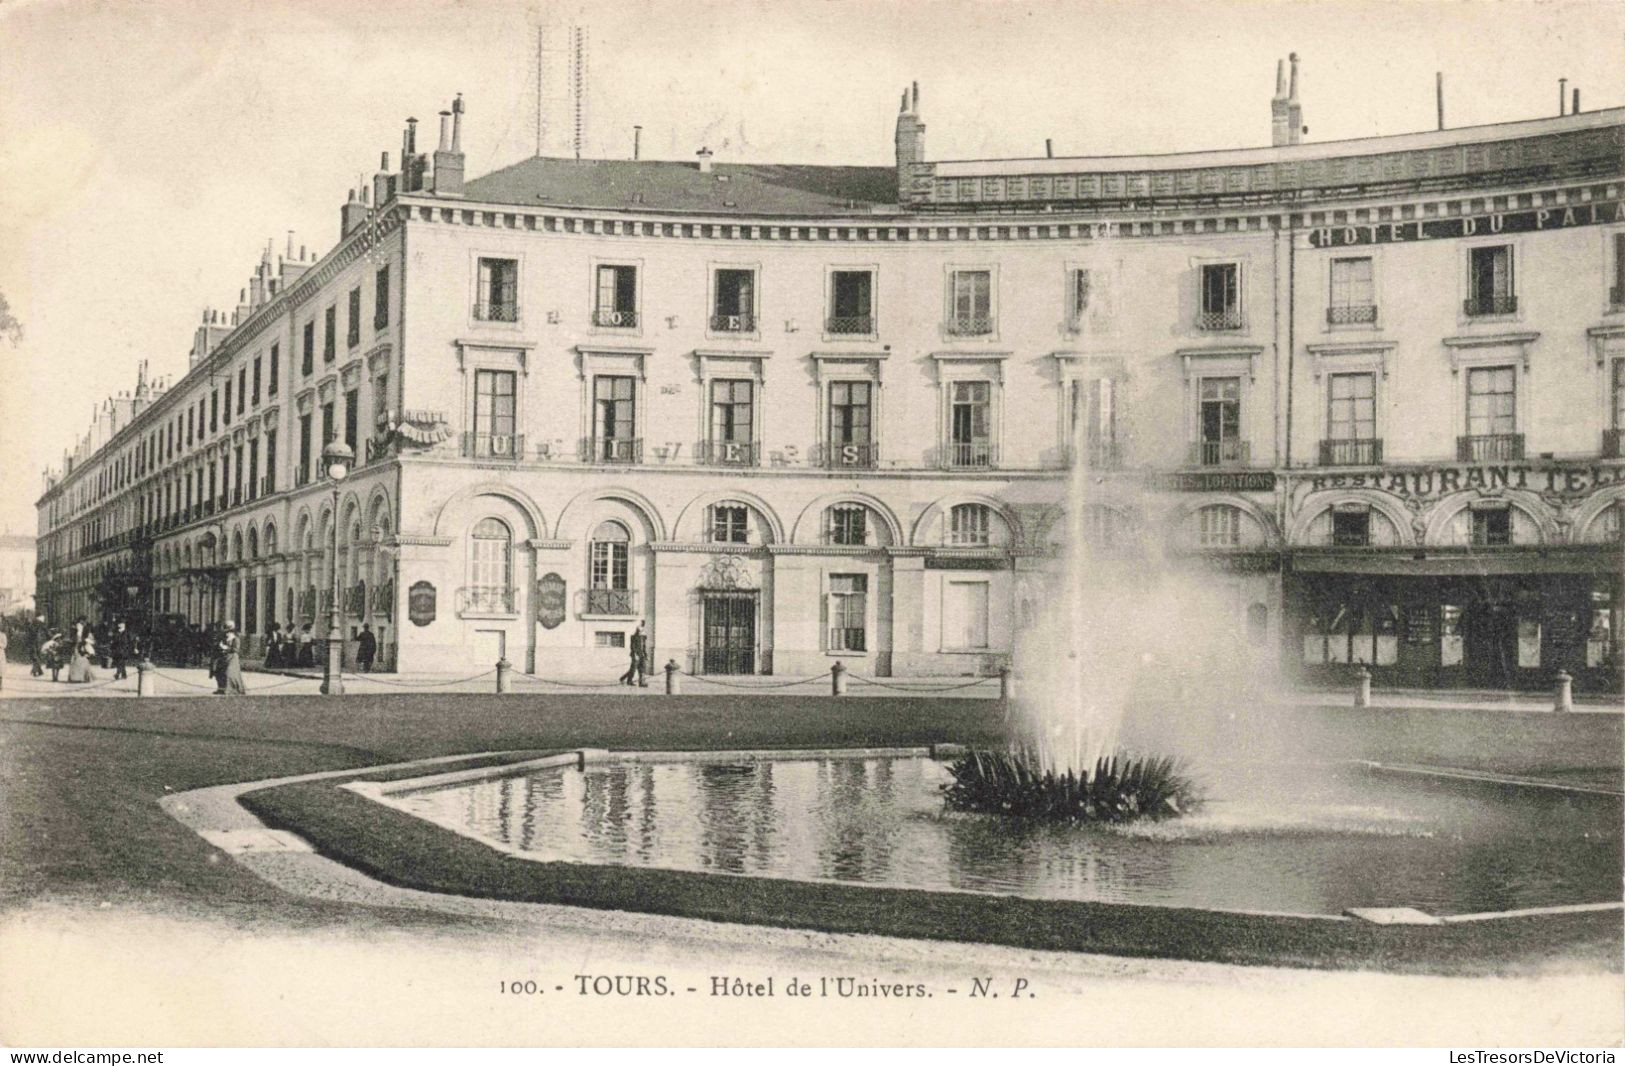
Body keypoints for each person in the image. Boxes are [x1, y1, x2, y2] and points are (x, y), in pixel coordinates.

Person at [214, 621, 247, 695]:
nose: (226, 631)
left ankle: (233, 689)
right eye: (225, 628)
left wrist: (226, 648)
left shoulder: (236, 637)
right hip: (224, 657)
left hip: (232, 658)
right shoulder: (223, 637)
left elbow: (236, 649)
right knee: (220, 673)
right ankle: (221, 689)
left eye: (228, 629)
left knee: (230, 673)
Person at [619, 621, 649, 687]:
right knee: (633, 669)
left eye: (642, 631)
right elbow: (632, 647)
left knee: (642, 669)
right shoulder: (633, 637)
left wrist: (646, 655)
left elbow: (644, 647)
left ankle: (641, 682)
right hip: (636, 655)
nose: (641, 632)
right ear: (637, 631)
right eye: (639, 631)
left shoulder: (643, 638)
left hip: (642, 655)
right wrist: (635, 655)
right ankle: (628, 680)